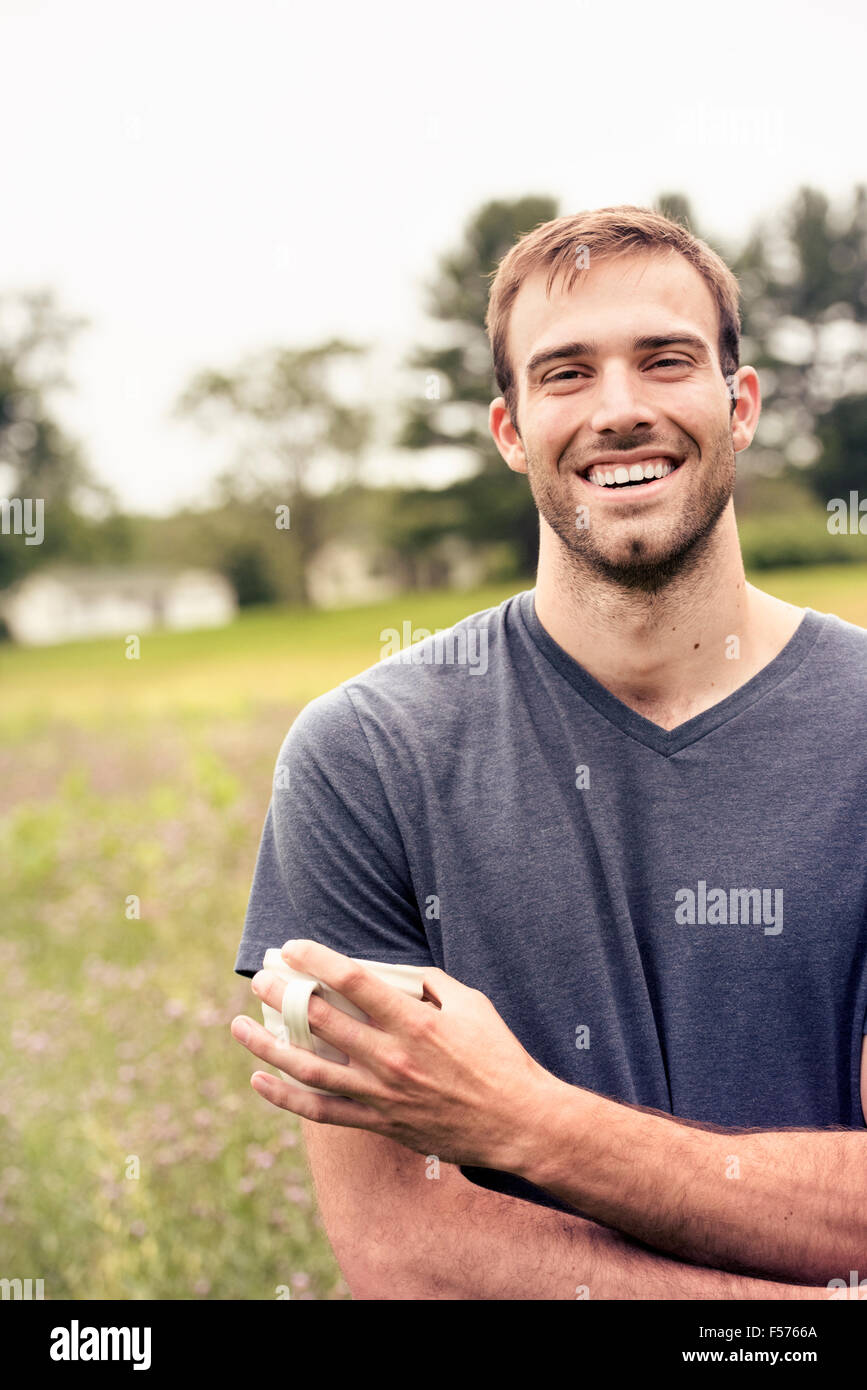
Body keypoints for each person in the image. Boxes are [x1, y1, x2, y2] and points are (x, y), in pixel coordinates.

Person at [232, 205, 867, 1300]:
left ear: (740, 402)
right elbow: (401, 1244)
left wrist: (520, 1121)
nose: (620, 410)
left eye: (665, 360)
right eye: (565, 373)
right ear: (512, 429)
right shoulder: (363, 757)